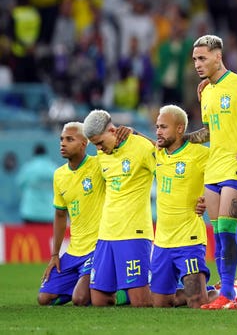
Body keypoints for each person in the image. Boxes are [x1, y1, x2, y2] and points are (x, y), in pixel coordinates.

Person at [185, 35, 237, 310]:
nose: (197, 64)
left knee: (227, 231)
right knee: (218, 234)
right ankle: (233, 287)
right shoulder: (207, 92)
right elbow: (211, 131)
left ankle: (227, 293)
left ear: (218, 56)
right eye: (194, 60)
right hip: (213, 169)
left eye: (202, 58)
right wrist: (181, 140)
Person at [83, 109, 156, 307]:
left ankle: (205, 291)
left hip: (134, 232)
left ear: (113, 131)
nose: (98, 148)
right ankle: (128, 291)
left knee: (142, 302)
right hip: (106, 234)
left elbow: (169, 163)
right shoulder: (101, 155)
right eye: (94, 144)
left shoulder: (140, 147)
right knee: (99, 300)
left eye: (100, 142)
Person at [38, 122, 108, 306]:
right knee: (44, 298)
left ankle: (108, 290)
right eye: (61, 139)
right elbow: (61, 215)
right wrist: (55, 255)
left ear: (84, 143)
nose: (63, 143)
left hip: (97, 249)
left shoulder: (98, 164)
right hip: (74, 251)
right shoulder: (59, 175)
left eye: (70, 139)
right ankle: (86, 285)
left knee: (80, 299)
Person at [150, 105, 212, 308]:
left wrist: (206, 197)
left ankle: (231, 292)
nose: (158, 131)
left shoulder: (199, 154)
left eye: (164, 127)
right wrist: (131, 132)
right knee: (160, 303)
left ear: (179, 129)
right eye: (157, 126)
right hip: (162, 241)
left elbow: (222, 173)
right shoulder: (157, 155)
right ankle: (208, 290)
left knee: (197, 302)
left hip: (189, 239)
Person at [18, 144, 58, 224]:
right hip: (49, 213)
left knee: (32, 236)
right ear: (46, 154)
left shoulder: (28, 168)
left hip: (30, 212)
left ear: (34, 153)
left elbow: (20, 184)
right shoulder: (53, 168)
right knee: (46, 236)